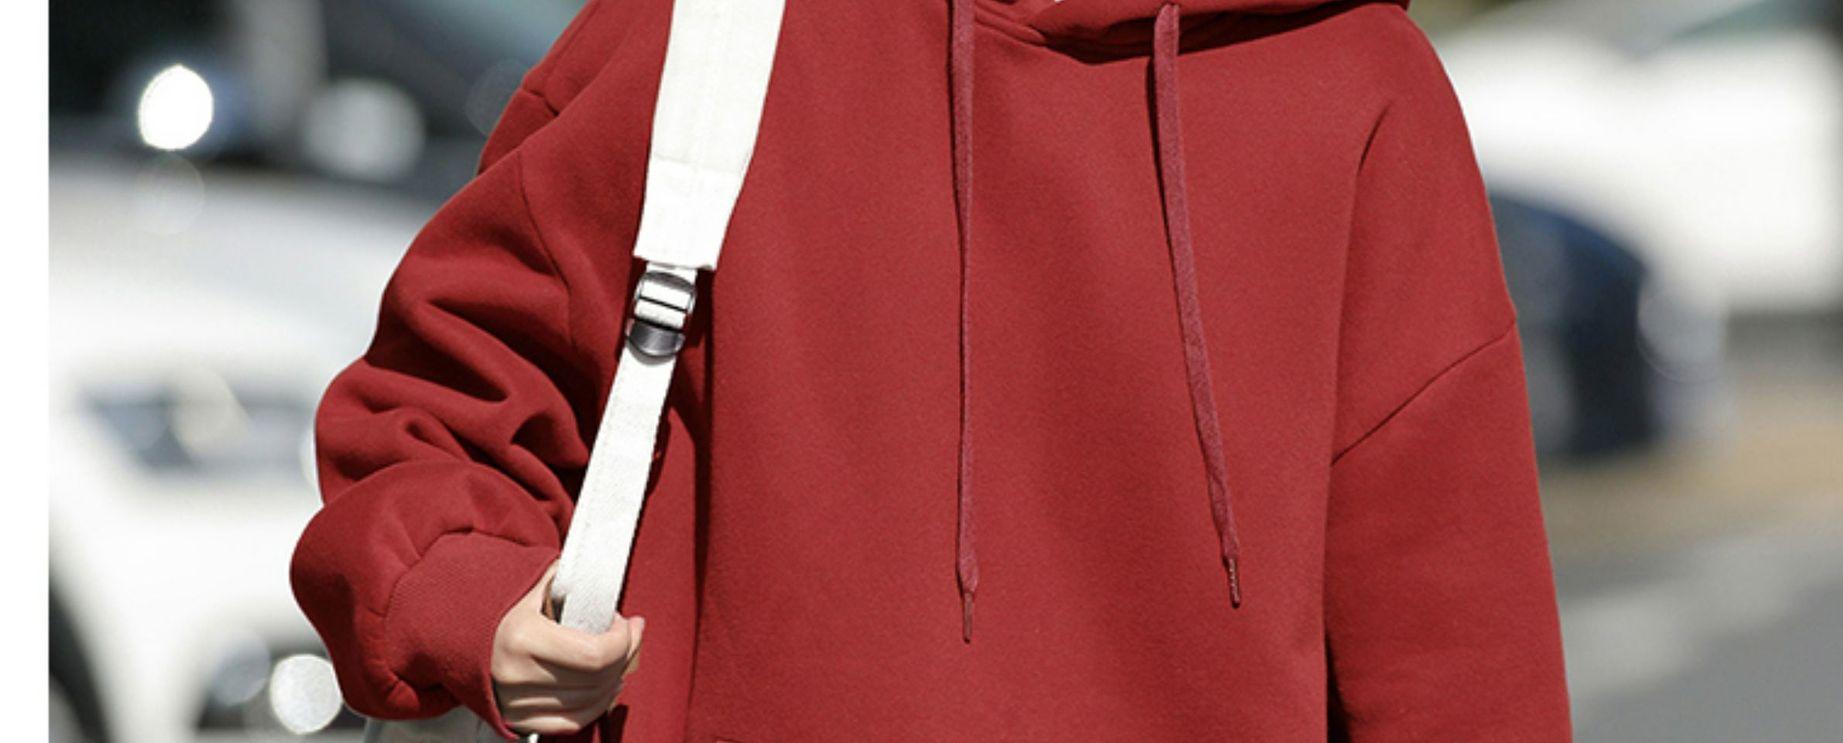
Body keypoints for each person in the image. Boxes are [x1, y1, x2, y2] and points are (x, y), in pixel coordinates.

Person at [289, 0, 1572, 740]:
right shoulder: (712, 37)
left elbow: (1459, 655)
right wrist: (477, 600)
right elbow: (428, 414)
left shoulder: (1355, 83)